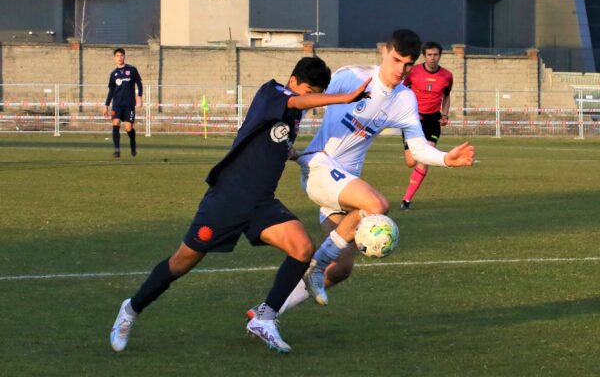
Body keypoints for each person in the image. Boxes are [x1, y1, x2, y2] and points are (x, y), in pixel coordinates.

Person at [109, 57, 371, 354]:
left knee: (302, 248)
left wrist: (293, 154)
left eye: (316, 93)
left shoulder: (291, 112)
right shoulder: (273, 93)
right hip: (228, 199)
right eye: (309, 90)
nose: (311, 99)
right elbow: (295, 102)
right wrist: (346, 97)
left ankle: (266, 318)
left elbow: (271, 141)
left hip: (261, 203)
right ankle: (131, 309)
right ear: (294, 80)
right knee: (181, 262)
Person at [246, 29, 474, 314]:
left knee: (341, 268)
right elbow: (306, 102)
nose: (400, 69)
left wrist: (445, 159)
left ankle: (267, 312)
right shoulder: (350, 77)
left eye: (407, 64)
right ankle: (315, 267)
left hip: (344, 184)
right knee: (376, 205)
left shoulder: (405, 100)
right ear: (384, 52)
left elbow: (417, 149)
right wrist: (282, 140)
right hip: (320, 167)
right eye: (396, 60)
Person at [400, 41, 454, 210]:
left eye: (435, 55)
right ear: (424, 55)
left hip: (433, 121)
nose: (432, 58)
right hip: (413, 120)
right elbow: (401, 91)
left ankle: (407, 200)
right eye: (429, 55)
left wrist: (444, 114)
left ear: (440, 56)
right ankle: (408, 195)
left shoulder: (447, 76)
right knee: (411, 162)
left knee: (425, 157)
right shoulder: (413, 72)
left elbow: (446, 96)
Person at [103, 48, 143, 158]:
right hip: (117, 104)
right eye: (117, 56)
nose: (119, 58)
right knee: (115, 124)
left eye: (121, 55)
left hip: (129, 104)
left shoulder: (132, 70)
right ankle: (117, 150)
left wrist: (139, 96)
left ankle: (133, 145)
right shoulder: (113, 74)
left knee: (128, 127)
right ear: (114, 58)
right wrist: (106, 105)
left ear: (124, 57)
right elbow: (111, 91)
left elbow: (139, 83)